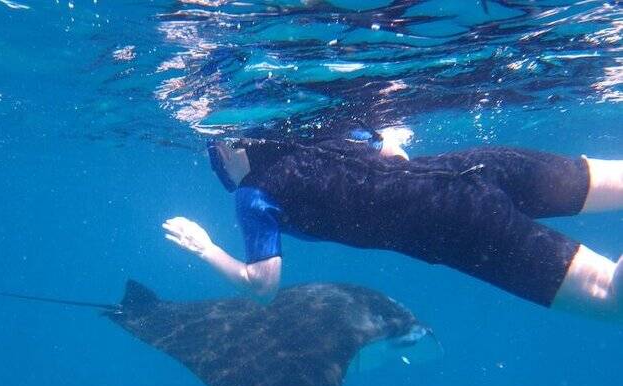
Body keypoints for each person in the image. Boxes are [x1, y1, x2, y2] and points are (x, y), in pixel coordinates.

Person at [162, 128, 623, 322]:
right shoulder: (316, 131)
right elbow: (391, 153)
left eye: (216, 153)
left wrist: (204, 248)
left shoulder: (254, 194)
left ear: (230, 149)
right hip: (483, 164)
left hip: (454, 222)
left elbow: (263, 284)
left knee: (610, 297)